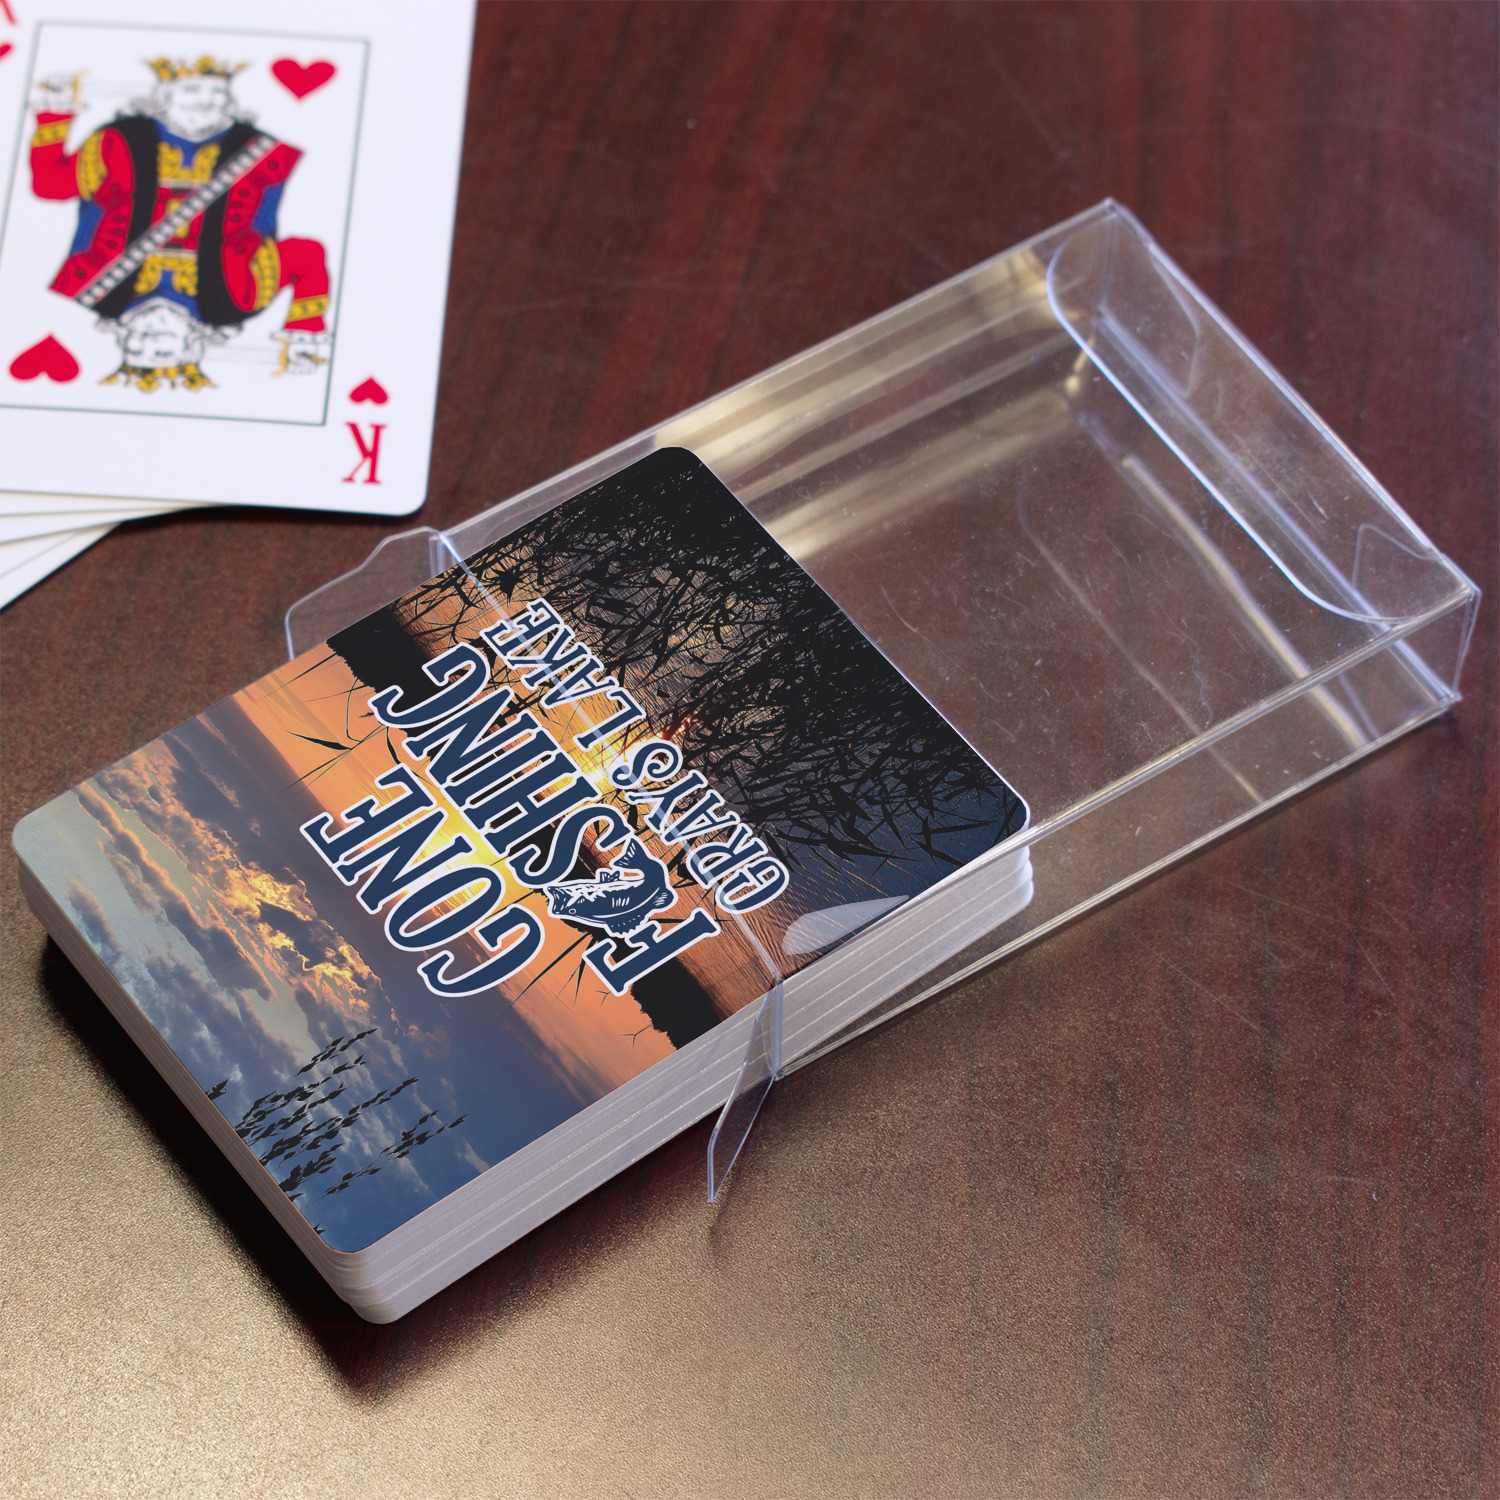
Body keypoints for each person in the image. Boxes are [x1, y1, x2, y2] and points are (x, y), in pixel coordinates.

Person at [28, 56, 331, 390]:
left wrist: (54, 113)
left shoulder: (87, 287)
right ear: (194, 343)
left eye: (136, 348)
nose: (148, 339)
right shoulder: (242, 300)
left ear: (122, 336)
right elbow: (306, 256)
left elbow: (50, 185)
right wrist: (305, 331)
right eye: (161, 350)